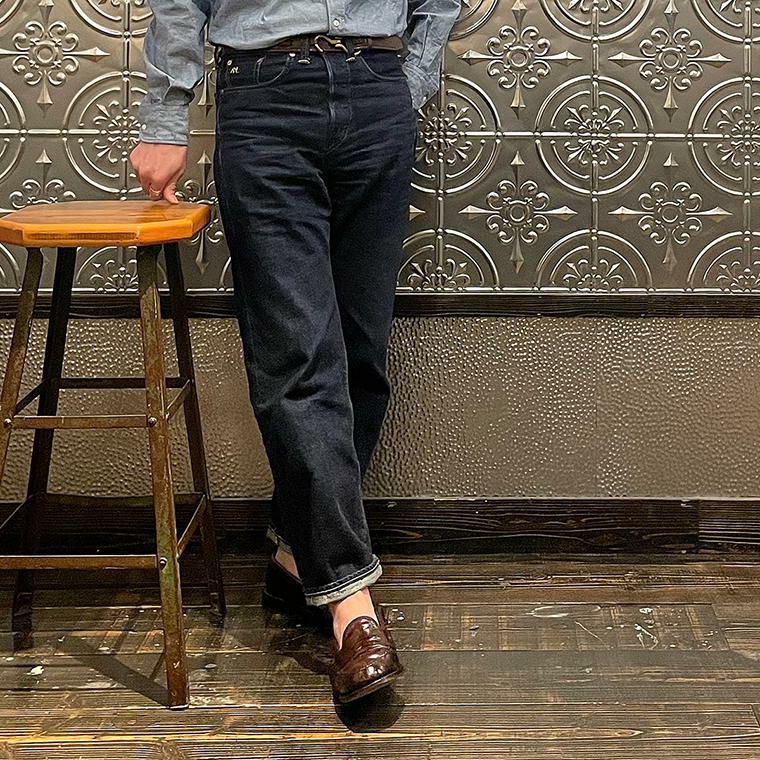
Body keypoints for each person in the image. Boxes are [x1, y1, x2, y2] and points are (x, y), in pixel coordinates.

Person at [129, 0, 460, 703]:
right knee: (299, 359)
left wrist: (410, 80)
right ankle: (351, 606)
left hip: (377, 90)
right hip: (263, 96)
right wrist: (164, 116)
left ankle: (291, 556)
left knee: (362, 357)